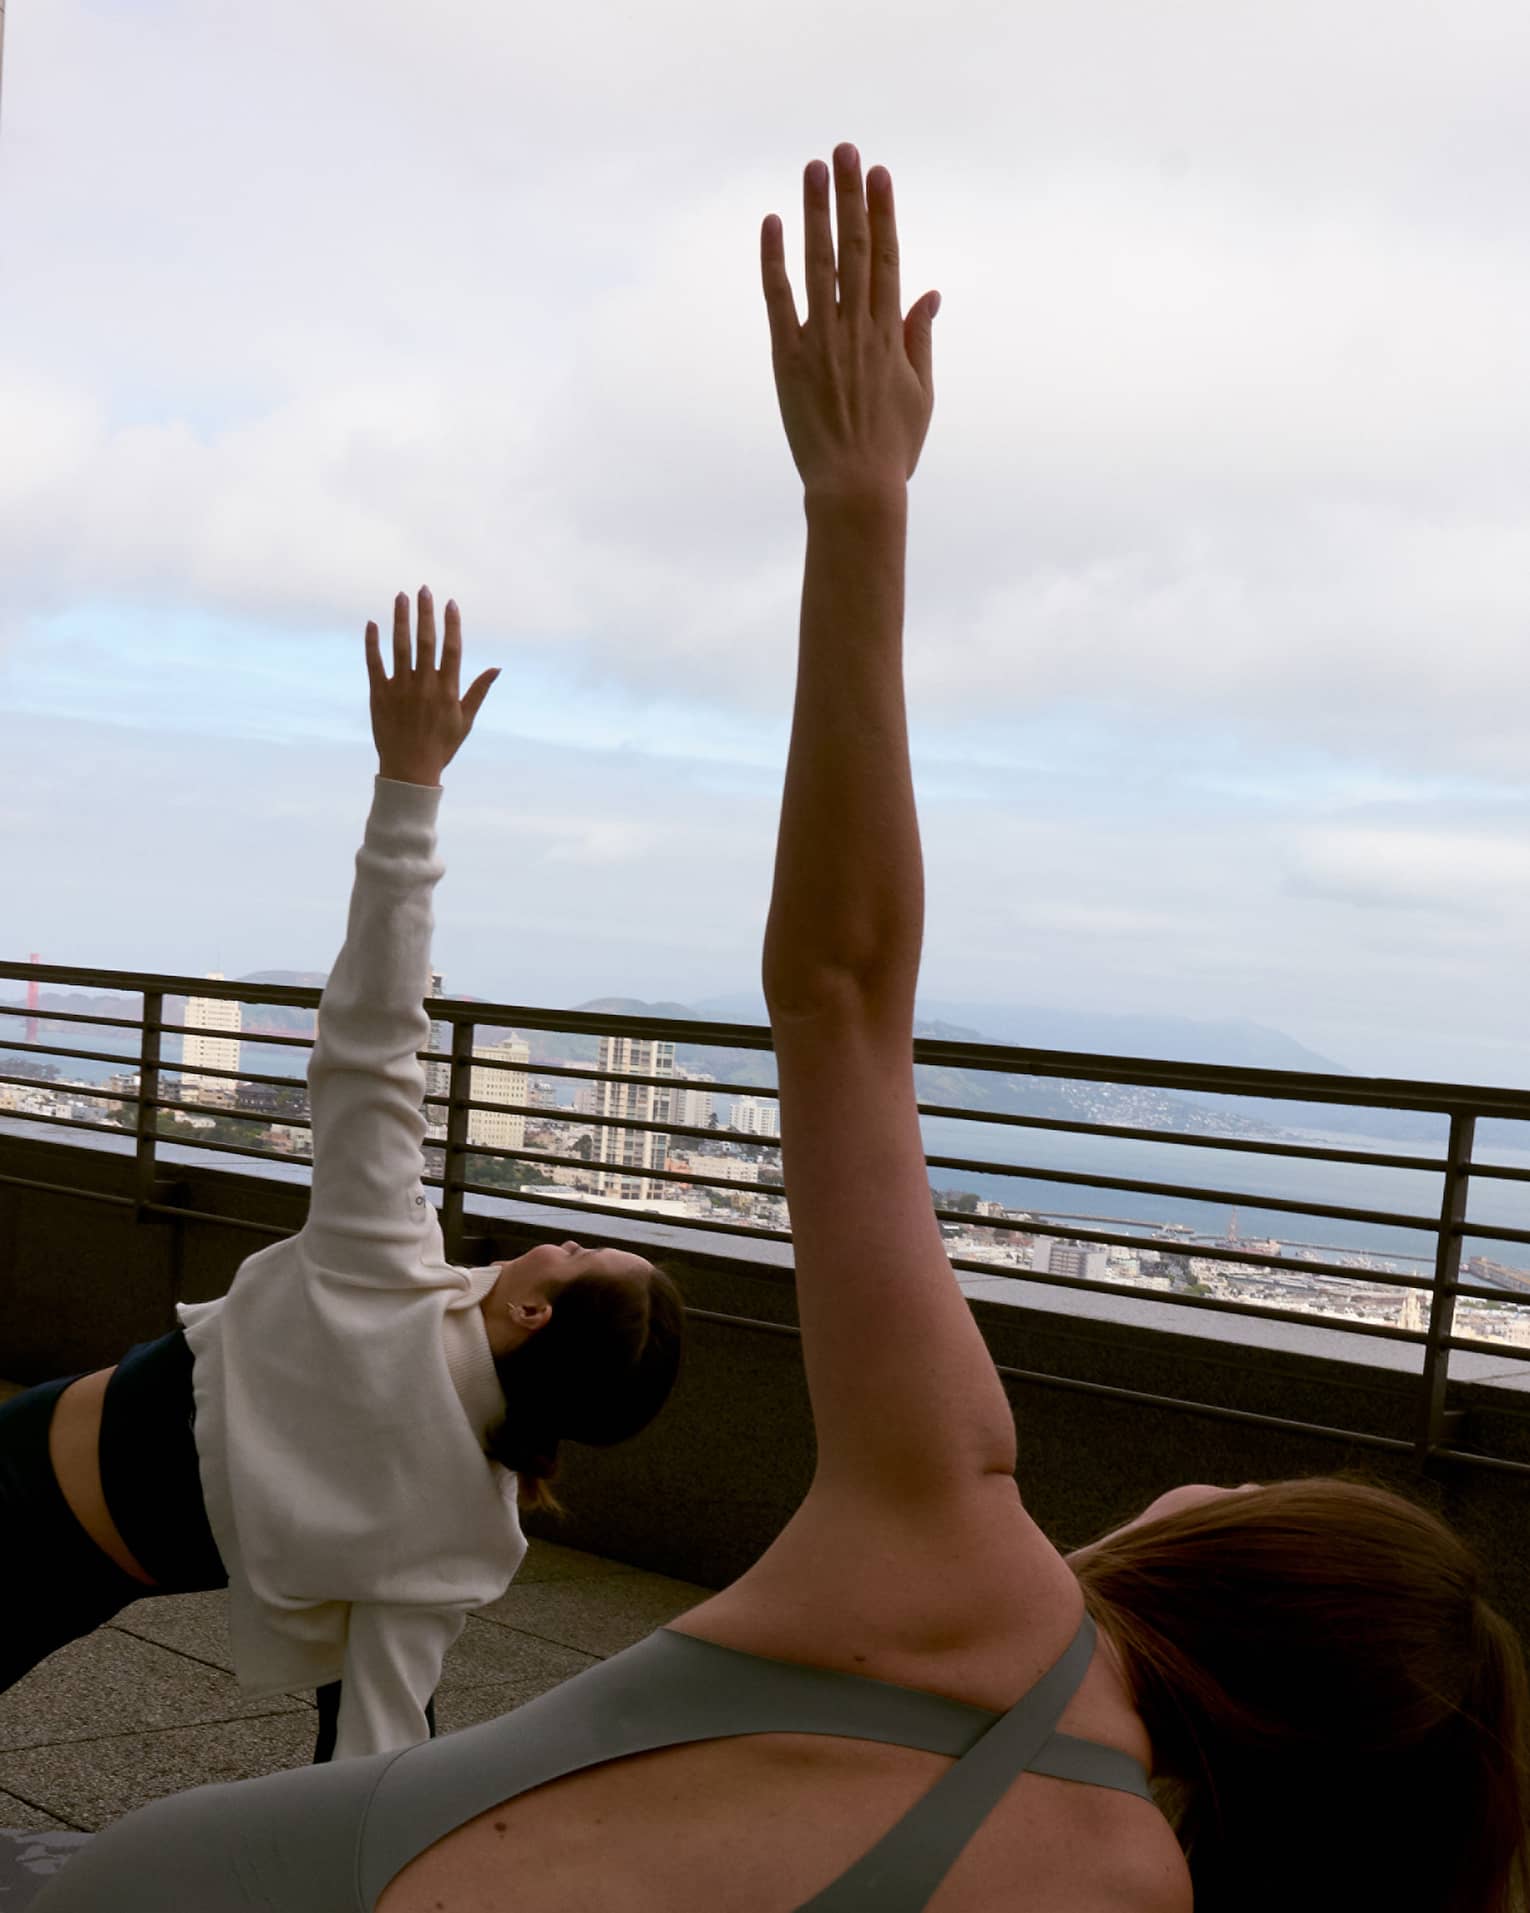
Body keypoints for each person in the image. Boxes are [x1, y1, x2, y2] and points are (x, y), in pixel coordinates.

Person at [25, 142, 1530, 1913]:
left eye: (1259, 1483)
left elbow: (841, 994)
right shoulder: (1126, 1883)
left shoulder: (959, 1558)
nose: (1223, 1465)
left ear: (1261, 1580)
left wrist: (859, 503)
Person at [0, 596, 685, 1765]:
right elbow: (376, 1720)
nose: (551, 1240)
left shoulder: (385, 1273)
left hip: (22, 1470)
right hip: (104, 1563)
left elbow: (369, 1036)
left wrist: (409, 778)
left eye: (572, 1255)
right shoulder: (474, 1519)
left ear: (531, 1314)